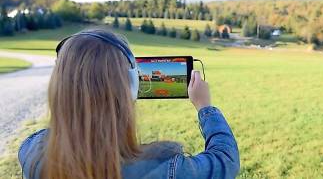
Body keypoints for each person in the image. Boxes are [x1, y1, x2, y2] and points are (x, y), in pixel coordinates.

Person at [18, 29, 240, 179]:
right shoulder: (164, 167)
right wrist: (205, 107)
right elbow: (225, 161)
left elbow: (65, 130)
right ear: (132, 87)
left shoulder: (31, 152)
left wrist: (74, 94)